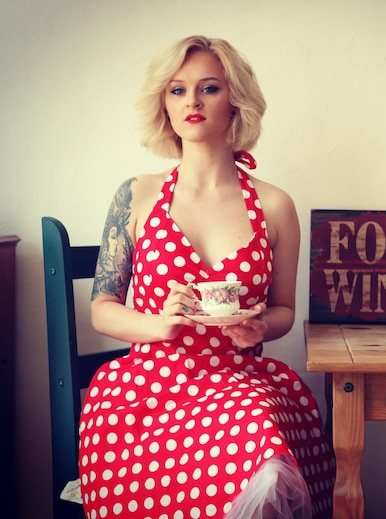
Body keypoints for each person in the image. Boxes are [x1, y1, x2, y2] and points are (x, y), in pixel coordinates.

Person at [80, 35, 334, 518]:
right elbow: (102, 308)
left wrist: (260, 328)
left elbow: (283, 310)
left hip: (237, 381)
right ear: (164, 103)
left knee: (261, 432)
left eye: (209, 88)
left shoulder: (275, 204)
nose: (192, 101)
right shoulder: (135, 195)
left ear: (235, 99)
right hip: (146, 392)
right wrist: (160, 325)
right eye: (177, 90)